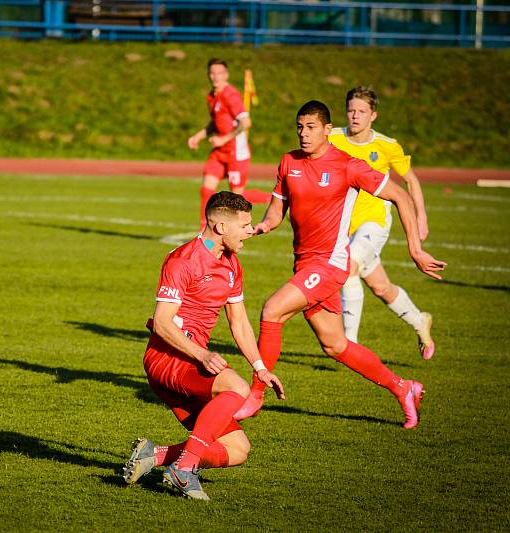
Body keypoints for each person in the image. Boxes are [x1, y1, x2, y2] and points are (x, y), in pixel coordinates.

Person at [234, 101, 446, 428]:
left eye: (311, 127)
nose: (304, 134)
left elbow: (401, 197)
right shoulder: (289, 161)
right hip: (305, 265)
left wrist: (415, 250)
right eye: (300, 127)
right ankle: (404, 387)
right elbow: (277, 212)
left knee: (271, 310)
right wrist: (263, 225)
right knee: (334, 344)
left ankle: (256, 394)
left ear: (327, 130)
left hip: (330, 264)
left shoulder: (348, 165)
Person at [122, 191, 285, 500]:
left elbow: (239, 323)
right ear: (221, 227)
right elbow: (161, 322)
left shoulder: (232, 265)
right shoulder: (183, 260)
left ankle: (153, 456)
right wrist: (202, 353)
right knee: (235, 388)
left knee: (237, 450)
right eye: (245, 225)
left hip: (190, 364)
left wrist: (260, 368)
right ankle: (184, 470)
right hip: (167, 358)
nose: (251, 231)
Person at [329, 87, 434, 358]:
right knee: (380, 287)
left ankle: (349, 343)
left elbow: (410, 179)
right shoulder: (333, 138)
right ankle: (419, 321)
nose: (355, 116)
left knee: (349, 267)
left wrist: (421, 216)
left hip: (374, 222)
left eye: (361, 111)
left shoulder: (387, 145)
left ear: (373, 115)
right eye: (351, 110)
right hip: (343, 226)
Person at [187, 59, 270, 228]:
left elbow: (245, 123)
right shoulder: (212, 96)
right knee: (206, 189)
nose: (215, 76)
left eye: (219, 73)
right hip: (219, 152)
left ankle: (274, 199)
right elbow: (214, 123)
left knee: (236, 198)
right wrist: (199, 136)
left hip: (235, 153)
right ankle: (205, 229)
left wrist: (224, 138)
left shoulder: (230, 95)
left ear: (226, 75)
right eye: (212, 73)